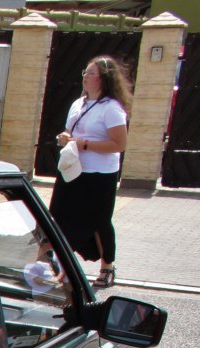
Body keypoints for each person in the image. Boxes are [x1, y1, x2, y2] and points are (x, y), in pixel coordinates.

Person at [49, 55, 132, 289]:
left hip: (100, 173)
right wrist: (64, 138)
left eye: (91, 73)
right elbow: (69, 131)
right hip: (74, 169)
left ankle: (107, 267)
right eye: (84, 72)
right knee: (61, 215)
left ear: (104, 79)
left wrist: (84, 143)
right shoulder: (79, 103)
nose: (85, 77)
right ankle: (64, 266)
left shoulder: (111, 108)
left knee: (99, 220)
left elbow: (119, 144)